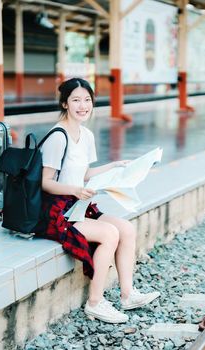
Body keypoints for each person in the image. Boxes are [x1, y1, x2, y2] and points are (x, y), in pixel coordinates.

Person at [39, 78, 160, 324]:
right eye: (75, 100)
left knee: (126, 228)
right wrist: (75, 190)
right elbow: (46, 182)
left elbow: (83, 174)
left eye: (87, 100)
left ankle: (128, 295)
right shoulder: (57, 137)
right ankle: (95, 302)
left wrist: (114, 167)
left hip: (76, 205)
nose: (83, 105)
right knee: (109, 234)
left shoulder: (86, 135)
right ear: (65, 103)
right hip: (56, 211)